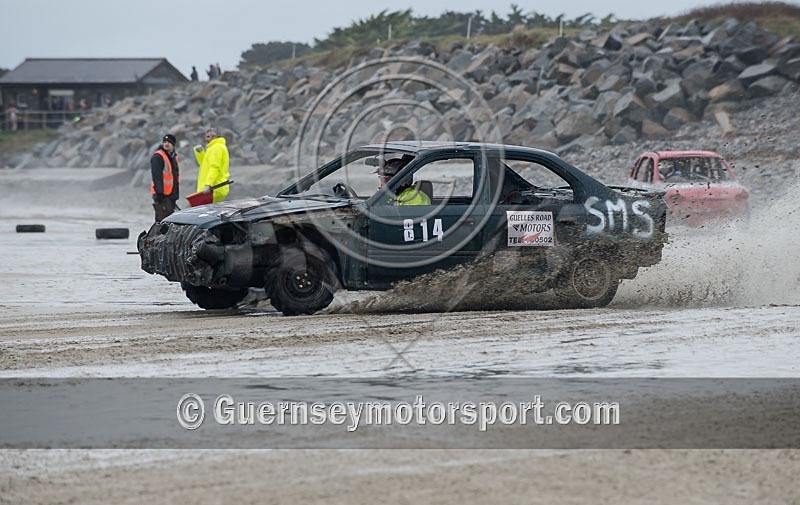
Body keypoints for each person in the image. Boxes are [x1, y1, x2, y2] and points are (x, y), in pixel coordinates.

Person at [193, 128, 230, 202]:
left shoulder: (216, 148)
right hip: (213, 188)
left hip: (213, 188)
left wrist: (208, 185)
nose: (206, 139)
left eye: (208, 137)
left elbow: (215, 167)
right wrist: (200, 153)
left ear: (215, 136)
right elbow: (205, 165)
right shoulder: (213, 148)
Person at [151, 133, 180, 222]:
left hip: (171, 194)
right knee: (162, 220)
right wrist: (159, 193)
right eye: (165, 142)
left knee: (169, 219)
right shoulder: (158, 157)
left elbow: (175, 176)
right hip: (162, 195)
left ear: (173, 144)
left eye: (169, 142)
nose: (166, 144)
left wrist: (175, 195)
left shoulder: (173, 156)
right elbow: (156, 176)